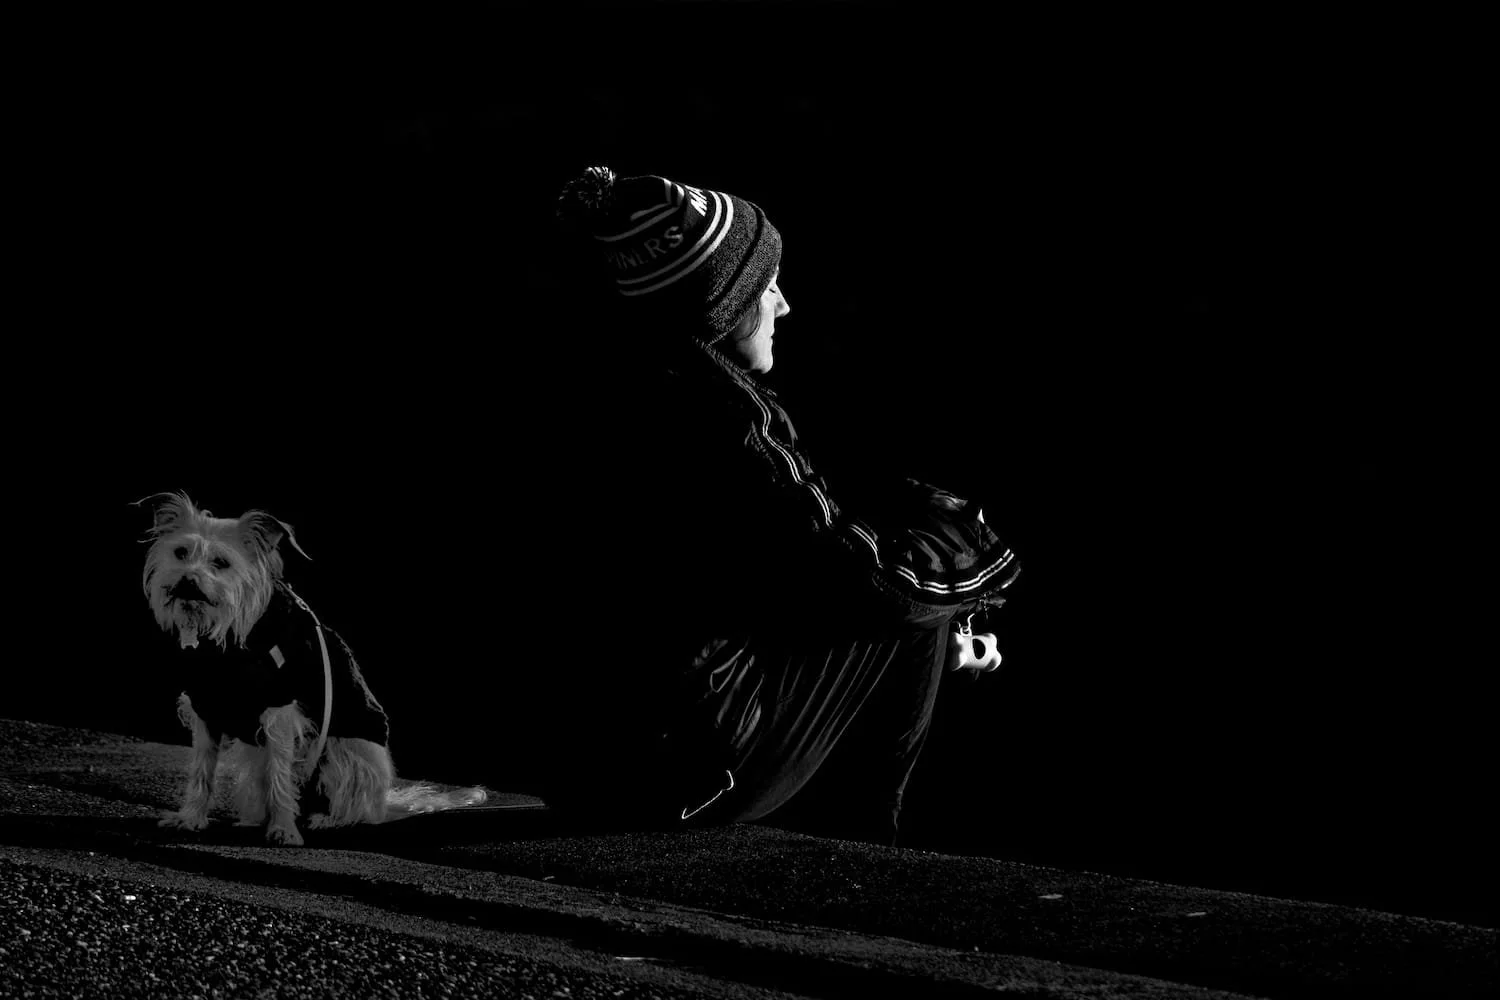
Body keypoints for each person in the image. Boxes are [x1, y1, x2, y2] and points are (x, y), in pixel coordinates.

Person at [545, 166, 1019, 845]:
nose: (785, 304)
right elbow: (871, 585)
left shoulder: (606, 393)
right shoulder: (723, 416)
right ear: (722, 303)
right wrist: (974, 552)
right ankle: (866, 851)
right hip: (683, 776)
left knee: (894, 570)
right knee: (910, 572)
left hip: (579, 770)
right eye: (767, 286)